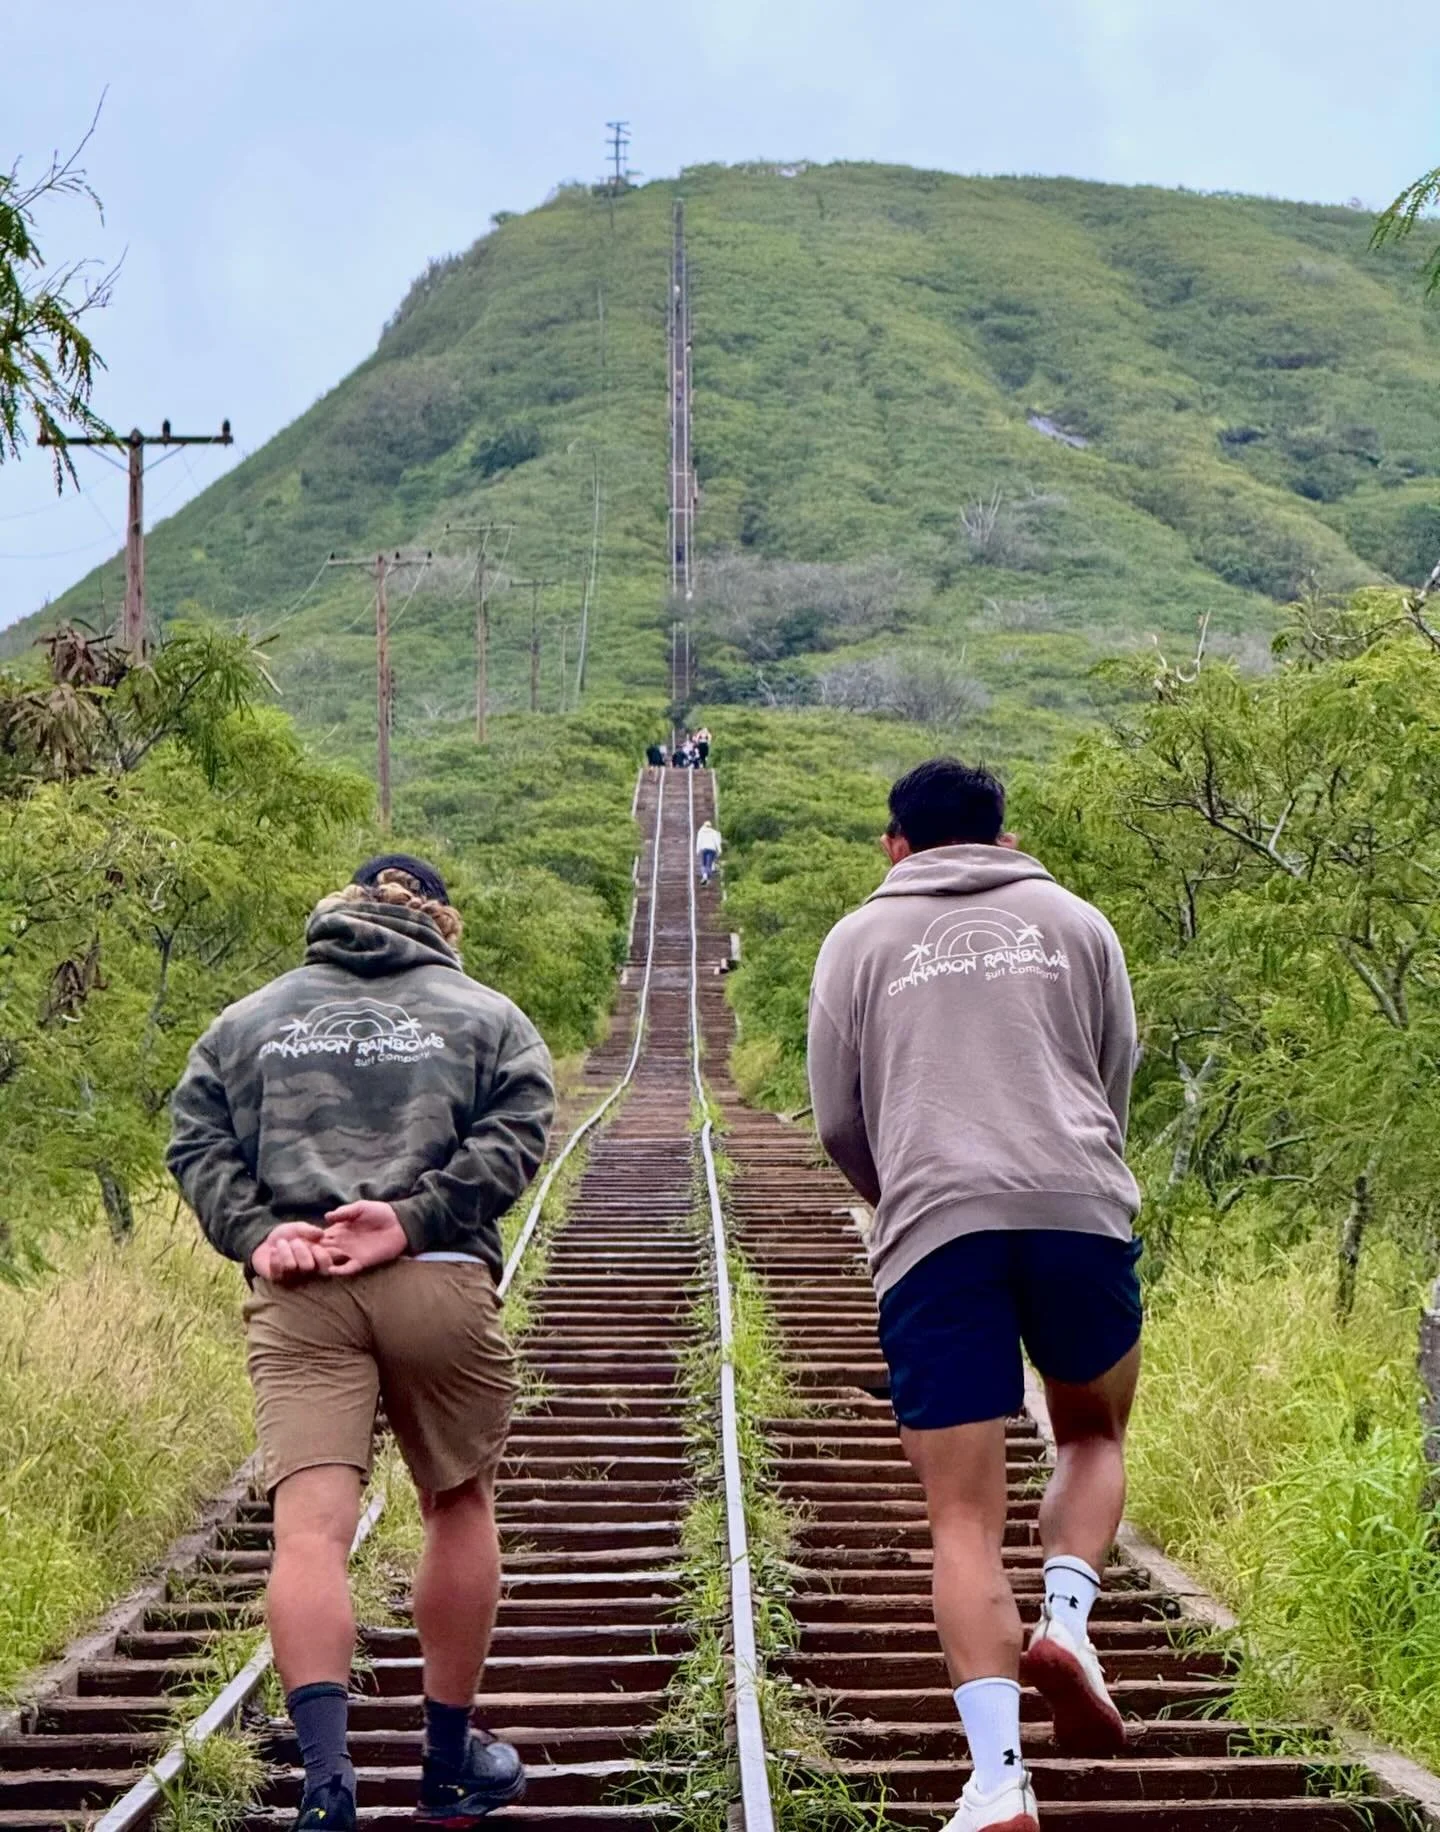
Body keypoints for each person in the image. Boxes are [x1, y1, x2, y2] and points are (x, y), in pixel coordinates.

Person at [167, 853, 555, 1832]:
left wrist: (259, 1232)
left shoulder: (248, 1018)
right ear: (443, 923)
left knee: (309, 1529)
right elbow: (519, 1128)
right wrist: (416, 1216)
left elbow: (194, 1136)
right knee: (456, 1499)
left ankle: (328, 1780)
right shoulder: (488, 1014)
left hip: (302, 1285)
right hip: (434, 1275)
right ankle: (447, 1763)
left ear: (333, 911)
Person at [807, 760, 1141, 1832]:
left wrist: (901, 1193)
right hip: (1078, 1205)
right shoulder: (1078, 920)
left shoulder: (856, 941)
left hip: (935, 1221)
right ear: (1004, 834)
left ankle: (998, 1781)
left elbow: (837, 1117)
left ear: (893, 843)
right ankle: (1072, 1622)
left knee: (961, 1514)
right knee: (1089, 1431)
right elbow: (1111, 1070)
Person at [695, 817, 723, 886]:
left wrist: (697, 850)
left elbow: (699, 841)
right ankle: (708, 878)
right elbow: (717, 842)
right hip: (712, 850)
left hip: (704, 849)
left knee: (703, 864)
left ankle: (704, 877)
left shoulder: (701, 832)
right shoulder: (713, 832)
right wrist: (719, 850)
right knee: (709, 865)